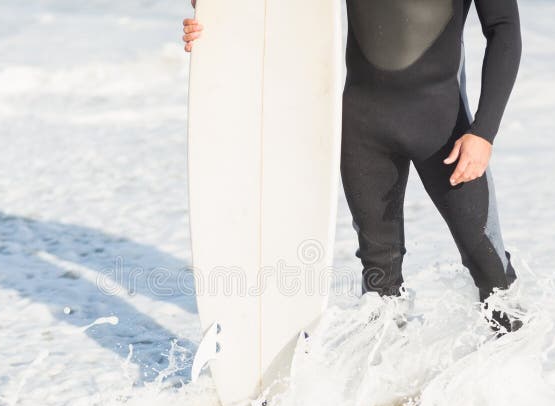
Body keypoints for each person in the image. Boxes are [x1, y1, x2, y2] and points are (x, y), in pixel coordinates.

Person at [182, 0, 522, 333]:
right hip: (363, 129)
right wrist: (215, 22)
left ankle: (516, 379)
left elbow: (504, 28)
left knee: (489, 266)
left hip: (445, 130)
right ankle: (387, 381)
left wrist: (484, 133)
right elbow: (275, 12)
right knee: (380, 277)